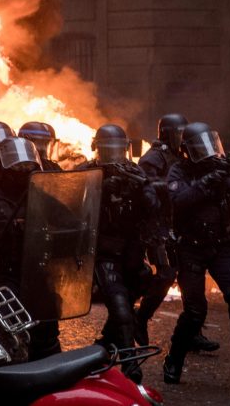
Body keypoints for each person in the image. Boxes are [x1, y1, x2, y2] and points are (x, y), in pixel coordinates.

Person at [163, 122, 230, 389]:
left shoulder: (219, 167)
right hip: (191, 247)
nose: (208, 152)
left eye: (210, 145)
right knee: (195, 310)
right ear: (188, 151)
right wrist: (205, 182)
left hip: (222, 244)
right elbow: (177, 202)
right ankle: (174, 360)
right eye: (200, 147)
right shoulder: (179, 170)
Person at [77, 124, 159, 383]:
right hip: (104, 253)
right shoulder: (86, 172)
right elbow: (69, 206)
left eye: (117, 150)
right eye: (107, 150)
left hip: (133, 254)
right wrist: (99, 189)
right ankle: (131, 369)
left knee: (140, 287)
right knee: (121, 309)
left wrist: (140, 189)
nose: (113, 156)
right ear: (97, 149)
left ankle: (104, 345)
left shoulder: (135, 172)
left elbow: (155, 208)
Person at [0, 136, 63, 360]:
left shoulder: (43, 196)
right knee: (10, 335)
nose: (23, 170)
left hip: (39, 274)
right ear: (3, 167)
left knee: (48, 336)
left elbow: (68, 223)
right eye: (17, 166)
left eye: (27, 165)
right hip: (6, 278)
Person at [135, 113, 219, 352]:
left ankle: (193, 332)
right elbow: (145, 188)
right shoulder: (153, 157)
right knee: (166, 274)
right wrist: (173, 186)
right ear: (165, 134)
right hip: (158, 225)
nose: (181, 138)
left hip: (180, 223)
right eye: (177, 134)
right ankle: (140, 318)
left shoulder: (183, 156)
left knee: (189, 278)